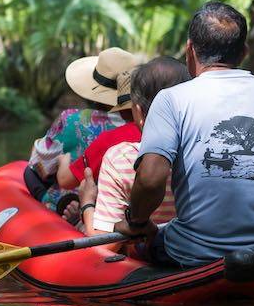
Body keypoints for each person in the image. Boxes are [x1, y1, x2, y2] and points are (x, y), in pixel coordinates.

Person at [116, 1, 254, 268]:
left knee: (137, 247)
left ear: (189, 50)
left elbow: (149, 180)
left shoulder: (171, 99)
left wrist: (136, 222)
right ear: (244, 53)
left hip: (193, 253)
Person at [78, 57, 191, 235]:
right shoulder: (204, 152)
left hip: (143, 258)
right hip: (200, 254)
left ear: (137, 111)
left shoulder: (120, 158)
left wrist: (87, 202)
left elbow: (103, 243)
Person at [25, 47, 140, 214]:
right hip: (120, 207)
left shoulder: (73, 119)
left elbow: (39, 162)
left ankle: (55, 210)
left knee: (30, 172)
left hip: (74, 200)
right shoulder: (142, 126)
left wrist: (62, 160)